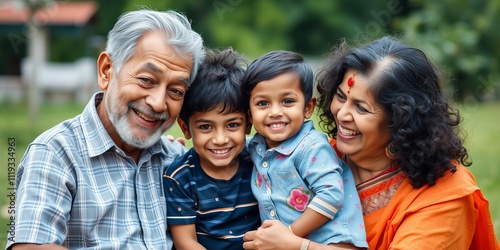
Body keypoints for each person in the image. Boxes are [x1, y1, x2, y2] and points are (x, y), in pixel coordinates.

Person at [242, 36, 500, 250]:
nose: (342, 114)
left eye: (361, 108)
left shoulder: (446, 193)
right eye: (340, 97)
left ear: (401, 119)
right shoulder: (314, 155)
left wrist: (298, 245)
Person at [6, 9, 205, 250]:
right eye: (146, 80)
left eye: (176, 91)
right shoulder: (55, 154)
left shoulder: (175, 163)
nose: (158, 102)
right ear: (106, 71)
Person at [241, 50, 368, 249]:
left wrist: (289, 235)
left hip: (333, 243)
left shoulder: (312, 147)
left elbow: (331, 195)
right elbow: (232, 144)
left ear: (308, 108)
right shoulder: (257, 145)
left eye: (287, 101)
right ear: (250, 114)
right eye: (263, 103)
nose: (275, 112)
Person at [163, 48, 260, 250]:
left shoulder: (258, 159)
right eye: (206, 127)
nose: (220, 139)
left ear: (249, 123)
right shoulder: (180, 177)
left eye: (232, 125)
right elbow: (185, 242)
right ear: (185, 128)